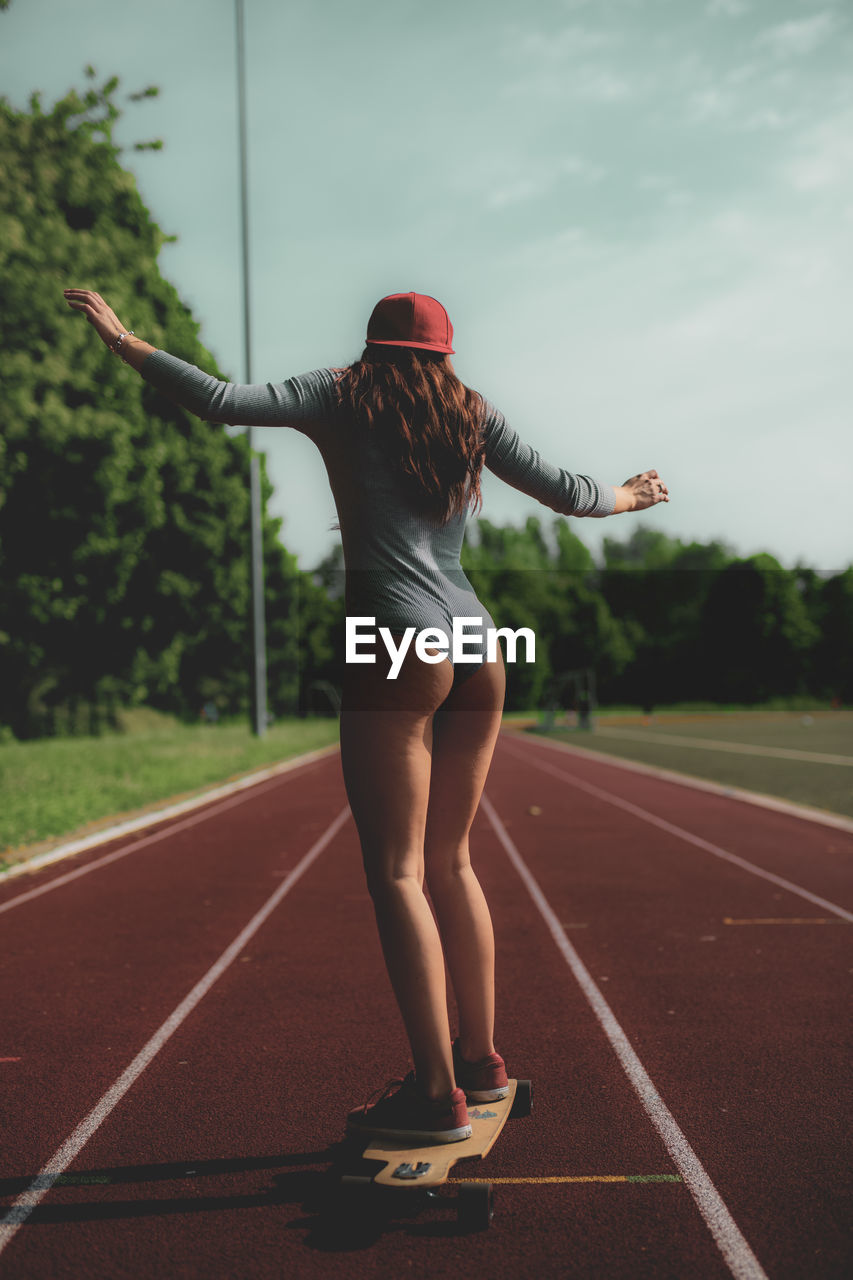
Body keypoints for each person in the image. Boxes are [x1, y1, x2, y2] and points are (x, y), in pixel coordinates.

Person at [63, 287, 669, 1145]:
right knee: (452, 860)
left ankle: (433, 1097)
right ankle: (479, 1062)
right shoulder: (471, 412)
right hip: (479, 644)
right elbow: (568, 493)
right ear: (443, 355)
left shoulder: (341, 393)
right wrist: (630, 496)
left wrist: (125, 342)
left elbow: (218, 401)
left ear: (375, 344)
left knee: (396, 872)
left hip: (397, 642)